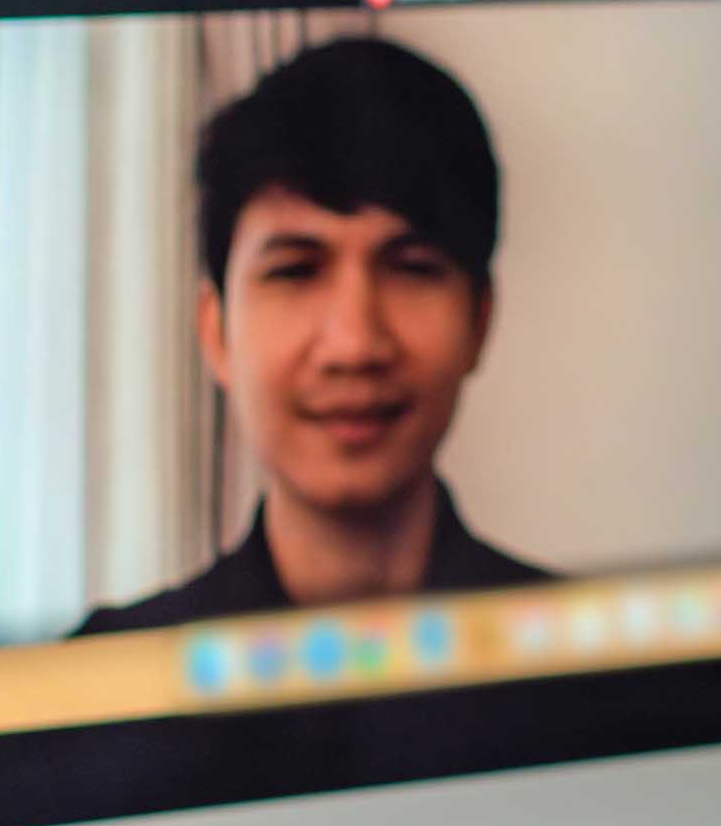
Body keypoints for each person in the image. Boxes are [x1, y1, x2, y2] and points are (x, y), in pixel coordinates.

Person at [75, 36, 552, 633]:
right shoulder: (111, 685)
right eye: (296, 271)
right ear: (216, 331)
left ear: (480, 319)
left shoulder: (599, 670)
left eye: (412, 269)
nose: (354, 346)